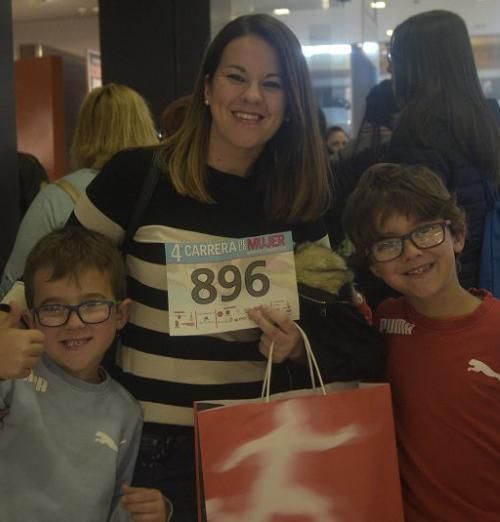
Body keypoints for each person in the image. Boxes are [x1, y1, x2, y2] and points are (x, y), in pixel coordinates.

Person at [66, 14, 335, 519]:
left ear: (291, 104)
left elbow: (336, 321)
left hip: (261, 446)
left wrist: (298, 343)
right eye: (237, 77)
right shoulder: (138, 175)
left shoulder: (301, 202)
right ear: (208, 88)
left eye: (272, 84)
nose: (252, 95)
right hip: (147, 445)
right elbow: (52, 282)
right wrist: (4, 386)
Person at [342, 163, 500, 520]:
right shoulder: (385, 323)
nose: (410, 252)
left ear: (457, 236)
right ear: (374, 265)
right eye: (388, 243)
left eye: (424, 232)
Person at [0, 227, 169, 522]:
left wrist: (151, 513)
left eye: (92, 305)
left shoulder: (125, 412)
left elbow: (116, 508)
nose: (73, 323)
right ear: (31, 318)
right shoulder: (5, 376)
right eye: (54, 308)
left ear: (121, 314)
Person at [330, 10, 500, 299]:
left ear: (416, 66)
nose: (388, 70)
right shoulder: (479, 123)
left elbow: (408, 235)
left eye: (394, 61)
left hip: (431, 297)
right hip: (472, 284)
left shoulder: (420, 134)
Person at [0, 84, 158, 298]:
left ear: (83, 130)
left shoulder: (57, 198)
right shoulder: (162, 193)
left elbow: (13, 284)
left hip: (80, 324)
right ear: (145, 126)